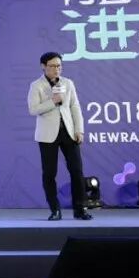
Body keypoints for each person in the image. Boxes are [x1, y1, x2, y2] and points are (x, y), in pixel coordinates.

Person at [27, 52, 92, 221]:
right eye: (52, 66)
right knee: (50, 173)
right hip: (47, 135)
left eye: (59, 66)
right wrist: (53, 101)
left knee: (77, 170)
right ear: (43, 66)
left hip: (69, 132)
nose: (56, 69)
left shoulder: (68, 83)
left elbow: (75, 107)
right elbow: (33, 109)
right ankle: (55, 209)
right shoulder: (36, 85)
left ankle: (80, 209)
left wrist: (79, 130)